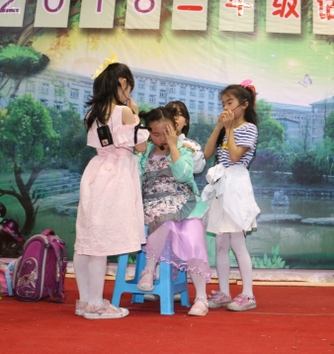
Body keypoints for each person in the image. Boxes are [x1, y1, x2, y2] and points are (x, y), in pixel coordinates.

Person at [74, 61, 148, 320]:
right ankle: (96, 305)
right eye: (129, 87)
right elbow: (141, 147)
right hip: (116, 176)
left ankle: (85, 301)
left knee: (87, 240)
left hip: (96, 172)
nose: (130, 92)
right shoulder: (124, 112)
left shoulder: (92, 114)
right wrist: (136, 114)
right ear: (122, 83)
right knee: (99, 243)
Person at [135, 107, 211, 316]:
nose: (161, 139)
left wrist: (174, 146)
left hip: (185, 203)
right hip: (153, 204)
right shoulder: (144, 152)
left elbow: (184, 175)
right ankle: (149, 269)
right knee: (165, 216)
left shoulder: (184, 150)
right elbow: (134, 178)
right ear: (148, 132)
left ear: (175, 129)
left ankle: (201, 297)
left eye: (166, 133)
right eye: (156, 134)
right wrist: (138, 151)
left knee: (193, 233)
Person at [202, 82, 260, 312]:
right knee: (220, 243)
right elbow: (207, 153)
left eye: (230, 103)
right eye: (223, 104)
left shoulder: (249, 128)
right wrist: (219, 126)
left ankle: (248, 295)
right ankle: (224, 292)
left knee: (237, 242)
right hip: (220, 185)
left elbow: (235, 157)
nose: (226, 108)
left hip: (236, 184)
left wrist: (228, 129)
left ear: (244, 105)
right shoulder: (225, 128)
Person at [165, 100, 206, 174]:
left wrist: (191, 152)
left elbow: (198, 168)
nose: (175, 117)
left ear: (186, 122)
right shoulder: (154, 145)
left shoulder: (192, 146)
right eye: (171, 114)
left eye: (179, 114)